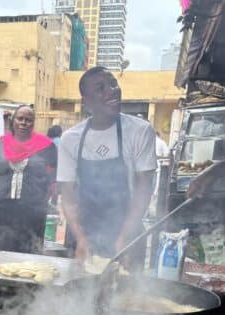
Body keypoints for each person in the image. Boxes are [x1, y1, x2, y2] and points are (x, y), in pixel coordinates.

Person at [58, 67, 157, 264]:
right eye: (101, 88)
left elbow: (142, 190)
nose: (112, 90)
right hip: (84, 233)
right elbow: (68, 197)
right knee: (78, 293)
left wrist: (125, 237)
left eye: (113, 84)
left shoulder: (140, 131)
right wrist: (80, 238)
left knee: (128, 293)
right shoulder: (70, 139)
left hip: (128, 230)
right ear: (86, 101)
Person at [0, 105, 57, 254]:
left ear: (33, 123)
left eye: (28, 120)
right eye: (20, 118)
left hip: (33, 211)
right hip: (2, 210)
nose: (24, 123)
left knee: (32, 254)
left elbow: (54, 177)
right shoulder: (0, 144)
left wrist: (45, 197)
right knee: (4, 255)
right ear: (13, 120)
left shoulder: (46, 147)